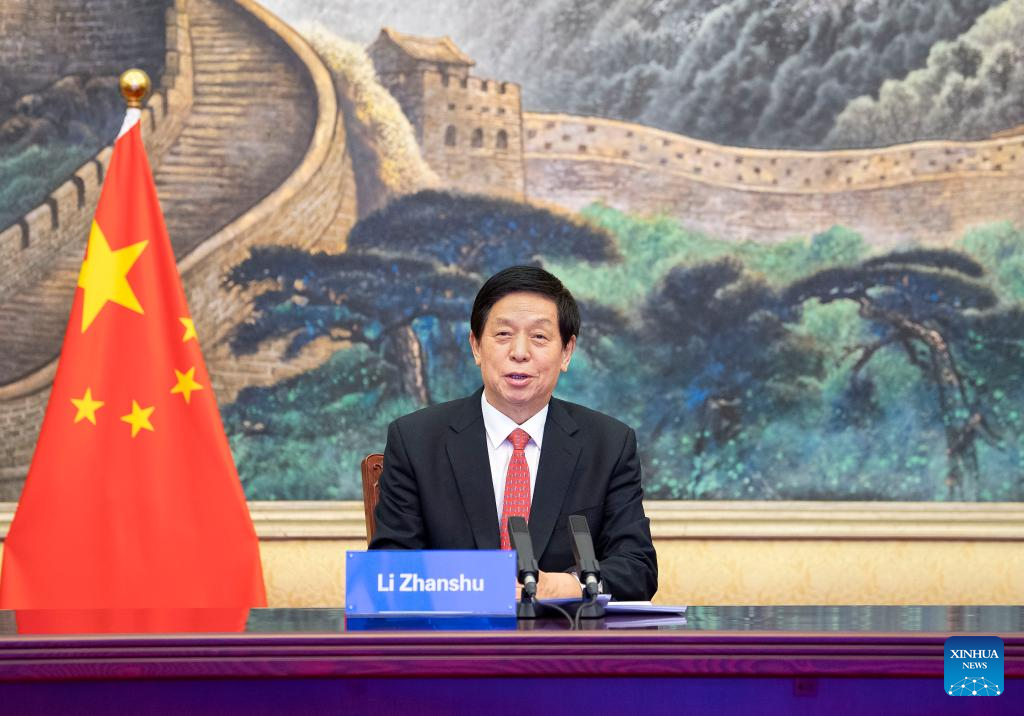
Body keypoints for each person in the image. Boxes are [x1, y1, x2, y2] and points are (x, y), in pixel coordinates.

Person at [369, 266, 657, 601]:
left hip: (565, 633)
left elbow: (637, 567)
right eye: (503, 334)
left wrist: (565, 587)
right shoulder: (416, 440)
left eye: (539, 337)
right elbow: (390, 569)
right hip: (455, 631)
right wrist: (484, 588)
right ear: (476, 346)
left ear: (566, 352)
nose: (520, 352)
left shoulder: (608, 444)